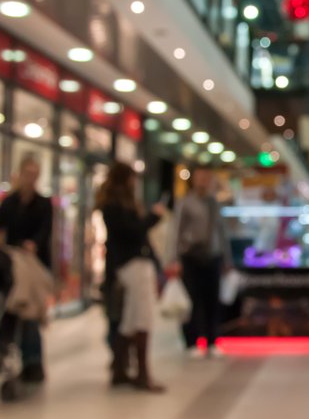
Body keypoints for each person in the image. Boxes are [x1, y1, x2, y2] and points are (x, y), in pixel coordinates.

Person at [97, 162, 167, 392]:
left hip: (131, 265)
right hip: (131, 267)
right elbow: (132, 232)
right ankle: (142, 373)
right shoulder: (114, 206)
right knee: (141, 319)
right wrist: (153, 218)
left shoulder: (119, 204)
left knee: (129, 320)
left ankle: (120, 369)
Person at [0, 155, 53, 383]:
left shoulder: (44, 204)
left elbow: (45, 233)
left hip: (32, 265)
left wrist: (33, 245)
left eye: (35, 174)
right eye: (28, 173)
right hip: (11, 263)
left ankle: (33, 361)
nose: (31, 178)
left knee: (29, 311)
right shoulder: (10, 203)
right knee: (10, 310)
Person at [170, 167, 232, 358]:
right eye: (201, 176)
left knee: (212, 300)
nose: (204, 180)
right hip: (191, 257)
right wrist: (174, 259)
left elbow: (222, 232)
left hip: (212, 257)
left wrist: (227, 258)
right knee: (192, 301)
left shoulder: (214, 203)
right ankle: (191, 342)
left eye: (207, 177)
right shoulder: (185, 203)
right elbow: (176, 232)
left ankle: (213, 340)